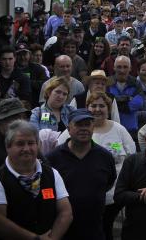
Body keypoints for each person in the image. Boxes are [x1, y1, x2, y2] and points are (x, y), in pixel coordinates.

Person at [56, 91, 135, 240]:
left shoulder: (119, 129)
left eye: (102, 106)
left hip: (111, 196)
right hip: (75, 198)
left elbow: (131, 156)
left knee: (105, 229)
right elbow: (59, 153)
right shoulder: (72, 132)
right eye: (93, 105)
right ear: (87, 108)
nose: (98, 109)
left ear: (108, 108)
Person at [0, 120, 73, 239]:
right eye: (20, 144)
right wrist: (35, 239)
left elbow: (66, 213)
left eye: (31, 143)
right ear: (8, 147)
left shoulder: (52, 174)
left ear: (38, 145)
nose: (27, 148)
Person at [47, 109, 117, 240]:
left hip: (95, 230)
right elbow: (46, 190)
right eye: (79, 124)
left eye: (87, 124)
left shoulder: (105, 157)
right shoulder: (53, 158)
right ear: (68, 128)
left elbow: (109, 183)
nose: (84, 128)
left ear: (93, 127)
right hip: (62, 230)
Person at [107, 55, 143, 141]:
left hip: (130, 129)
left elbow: (139, 103)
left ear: (130, 68)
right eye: (119, 67)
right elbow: (106, 103)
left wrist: (115, 104)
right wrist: (127, 99)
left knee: (130, 151)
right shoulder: (107, 82)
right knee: (116, 151)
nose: (122, 70)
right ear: (114, 68)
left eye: (125, 67)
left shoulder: (136, 83)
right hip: (112, 128)